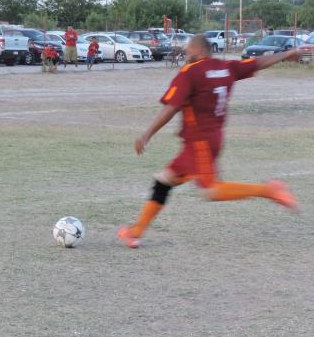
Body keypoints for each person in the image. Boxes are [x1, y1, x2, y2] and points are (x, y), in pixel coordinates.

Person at [117, 35, 299, 249]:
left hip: (199, 142)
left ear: (197, 51)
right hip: (210, 139)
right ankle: (135, 232)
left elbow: (171, 107)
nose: (185, 56)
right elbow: (259, 62)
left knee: (211, 190)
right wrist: (287, 54)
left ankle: (269, 190)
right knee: (164, 181)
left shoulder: (190, 72)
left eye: (187, 52)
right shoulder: (226, 67)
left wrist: (147, 134)